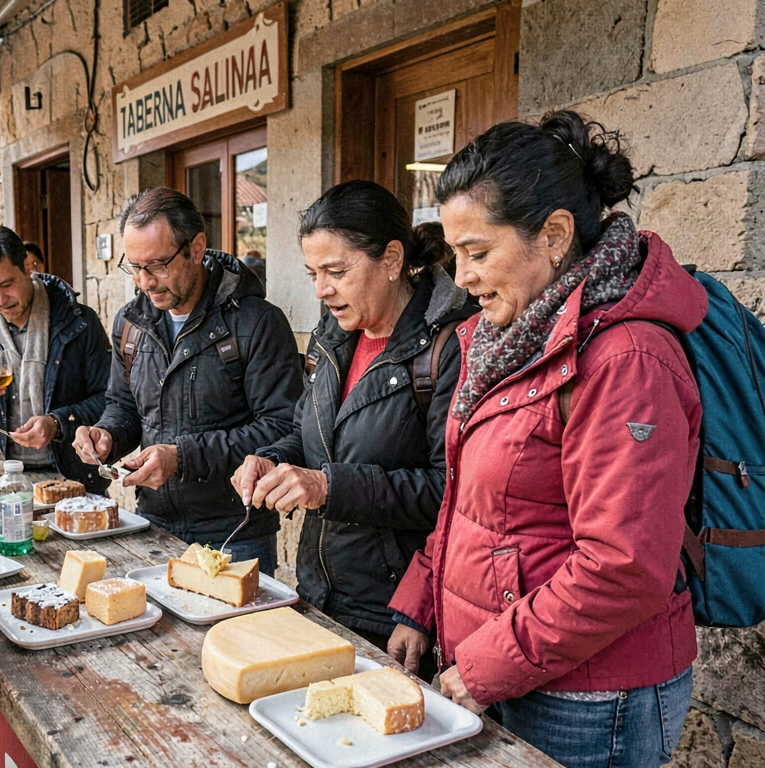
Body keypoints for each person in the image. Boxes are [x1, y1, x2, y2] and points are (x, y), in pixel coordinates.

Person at [386, 111, 702, 767]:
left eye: (478, 253)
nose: (462, 277)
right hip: (511, 665)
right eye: (454, 256)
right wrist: (422, 607)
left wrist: (487, 664)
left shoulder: (626, 358)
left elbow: (624, 566)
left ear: (555, 234)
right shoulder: (505, 340)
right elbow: (470, 504)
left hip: (589, 697)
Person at [230, 181, 476, 675]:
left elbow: (452, 492)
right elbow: (308, 436)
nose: (321, 290)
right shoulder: (331, 339)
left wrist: (327, 486)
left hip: (400, 611)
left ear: (390, 259)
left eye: (336, 272)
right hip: (322, 593)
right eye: (313, 273)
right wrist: (274, 459)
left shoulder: (450, 347)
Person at [72, 188, 303, 575]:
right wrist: (107, 435)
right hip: (154, 524)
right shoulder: (130, 323)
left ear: (197, 249)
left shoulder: (257, 323)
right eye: (135, 267)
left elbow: (281, 428)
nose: (145, 282)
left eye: (158, 265)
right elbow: (124, 406)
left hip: (235, 534)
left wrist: (182, 458)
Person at [0, 226, 111, 492]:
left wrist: (57, 423)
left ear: (28, 268)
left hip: (71, 480)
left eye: (7, 284)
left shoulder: (80, 322)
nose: (0, 299)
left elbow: (109, 399)